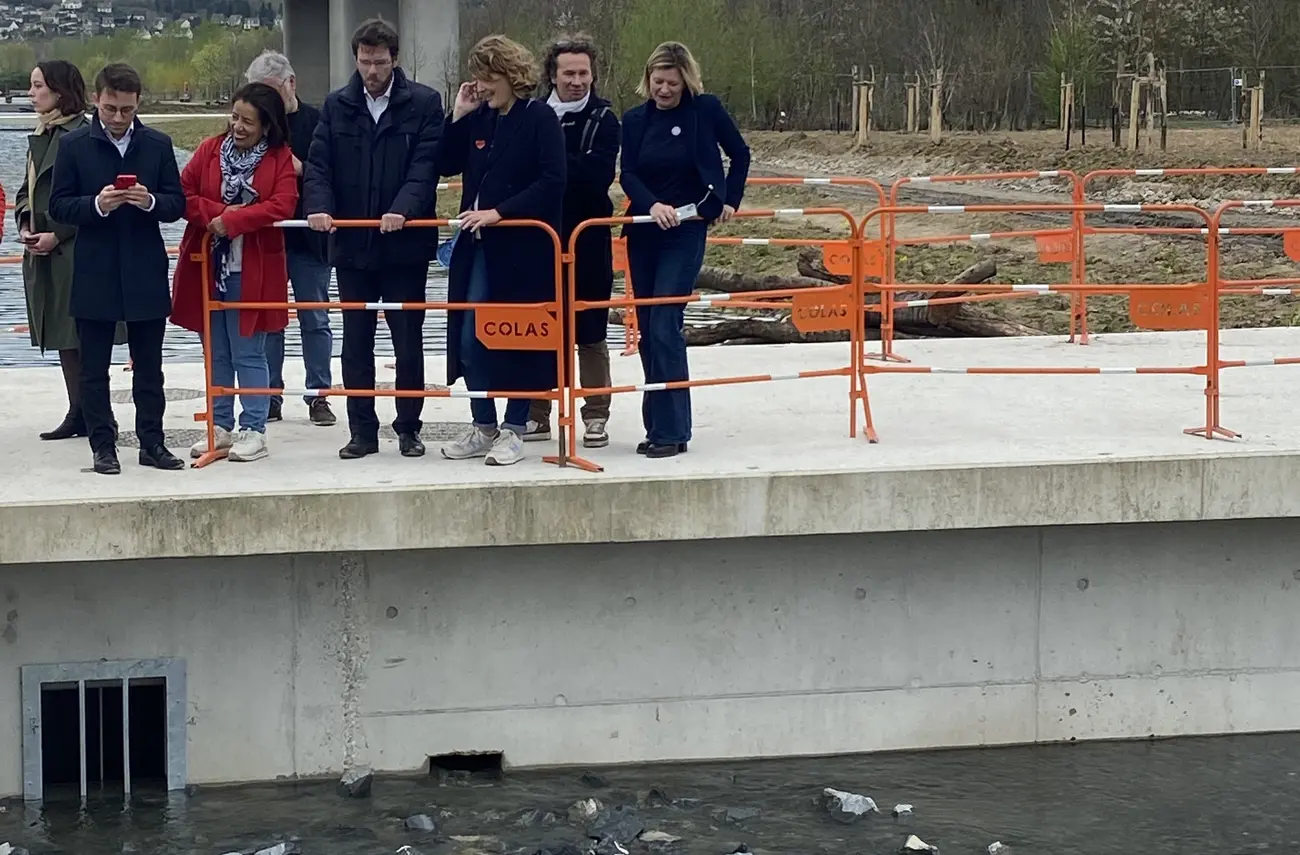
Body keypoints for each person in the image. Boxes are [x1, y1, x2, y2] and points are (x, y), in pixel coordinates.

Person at [304, 17, 443, 460]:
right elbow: (319, 165)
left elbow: (425, 168)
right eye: (365, 62)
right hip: (352, 245)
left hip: (404, 247)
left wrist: (403, 209)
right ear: (356, 59)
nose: (372, 71)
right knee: (355, 340)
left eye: (380, 62)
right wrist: (318, 208)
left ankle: (408, 427)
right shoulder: (337, 105)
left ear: (395, 60)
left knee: (408, 340)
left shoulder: (424, 103)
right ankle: (362, 430)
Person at [49, 62, 187, 475]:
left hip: (144, 267)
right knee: (95, 368)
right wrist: (96, 205)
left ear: (137, 103)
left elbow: (177, 204)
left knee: (150, 368)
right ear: (96, 99)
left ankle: (152, 443)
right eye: (110, 109)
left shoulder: (158, 144)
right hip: (95, 269)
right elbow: (58, 206)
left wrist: (149, 201)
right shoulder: (74, 146)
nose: (118, 118)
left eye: (126, 110)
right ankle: (102, 447)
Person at [438, 35, 566, 467]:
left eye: (488, 78)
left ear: (510, 76)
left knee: (516, 337)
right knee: (471, 338)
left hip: (521, 250)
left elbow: (552, 181)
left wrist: (500, 212)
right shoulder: (480, 118)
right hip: (476, 249)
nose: (482, 86)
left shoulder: (540, 118)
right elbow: (444, 162)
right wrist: (458, 115)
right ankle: (483, 423)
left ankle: (514, 428)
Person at [619, 41, 750, 458]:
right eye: (658, 82)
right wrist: (650, 205)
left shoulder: (704, 110)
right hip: (644, 230)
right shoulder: (635, 119)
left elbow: (740, 154)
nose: (664, 90)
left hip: (687, 230)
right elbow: (629, 174)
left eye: (672, 83)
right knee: (645, 330)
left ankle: (675, 431)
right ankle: (656, 423)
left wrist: (730, 200)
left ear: (685, 80)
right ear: (648, 81)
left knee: (664, 324)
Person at [170, 83, 299, 463]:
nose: (238, 127)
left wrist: (237, 220)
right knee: (217, 351)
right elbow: (183, 193)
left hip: (254, 268)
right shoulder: (210, 150)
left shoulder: (279, 158)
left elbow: (283, 205)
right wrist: (216, 216)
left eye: (248, 122)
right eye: (235, 117)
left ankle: (254, 428)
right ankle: (220, 425)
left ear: (266, 127)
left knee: (248, 351)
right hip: (209, 266)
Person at [16, 59, 125, 442]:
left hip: (78, 250)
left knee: (84, 335)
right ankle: (77, 410)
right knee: (63, 335)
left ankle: (97, 414)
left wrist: (56, 234)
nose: (32, 94)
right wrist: (27, 225)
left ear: (59, 91)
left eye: (37, 86)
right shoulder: (42, 135)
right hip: (45, 252)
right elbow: (25, 191)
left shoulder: (82, 135)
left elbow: (95, 196)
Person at [522, 34, 619, 450]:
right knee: (541, 325)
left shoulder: (605, 118)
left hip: (589, 238)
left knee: (591, 330)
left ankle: (595, 413)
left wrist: (553, 162)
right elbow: (525, 175)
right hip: (539, 240)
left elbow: (595, 177)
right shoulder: (531, 115)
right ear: (553, 75)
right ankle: (536, 411)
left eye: (584, 73)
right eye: (569, 73)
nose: (577, 81)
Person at [245, 50, 336, 427]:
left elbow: (334, 170)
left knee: (315, 316)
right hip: (267, 237)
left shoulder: (318, 121)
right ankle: (270, 393)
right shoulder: (255, 125)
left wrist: (300, 169)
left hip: (309, 237)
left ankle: (319, 395)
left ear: (290, 85)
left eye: (268, 92)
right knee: (269, 319)